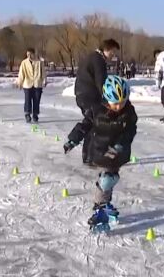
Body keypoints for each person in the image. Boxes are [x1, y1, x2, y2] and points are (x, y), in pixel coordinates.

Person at [64, 75, 137, 232]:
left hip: (117, 153)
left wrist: (120, 145)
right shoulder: (97, 109)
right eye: (115, 103)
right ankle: (100, 208)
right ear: (106, 98)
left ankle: (105, 203)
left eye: (123, 102)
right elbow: (84, 125)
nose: (119, 106)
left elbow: (130, 132)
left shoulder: (129, 112)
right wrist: (73, 140)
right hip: (99, 152)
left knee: (111, 179)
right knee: (106, 180)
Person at [66, 39, 120, 166]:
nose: (113, 56)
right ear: (106, 48)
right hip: (89, 96)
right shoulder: (98, 60)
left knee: (93, 124)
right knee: (94, 124)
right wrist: (109, 100)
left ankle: (88, 156)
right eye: (112, 53)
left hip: (83, 95)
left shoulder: (93, 57)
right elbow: (101, 82)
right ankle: (76, 143)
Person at [15, 48, 47, 123]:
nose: (29, 56)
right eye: (27, 54)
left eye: (30, 54)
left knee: (36, 100)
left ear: (33, 54)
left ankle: (35, 115)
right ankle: (27, 114)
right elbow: (21, 74)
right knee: (27, 100)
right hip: (27, 84)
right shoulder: (24, 63)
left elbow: (43, 72)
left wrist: (44, 80)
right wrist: (19, 82)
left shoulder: (39, 62)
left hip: (37, 84)